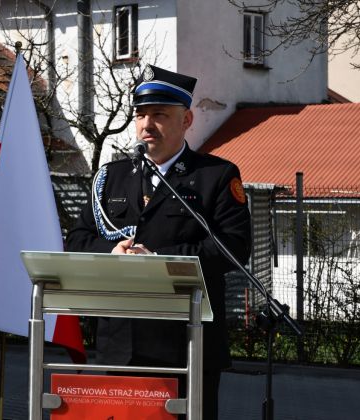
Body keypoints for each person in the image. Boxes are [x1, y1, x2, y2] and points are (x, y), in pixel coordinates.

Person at [66, 65, 252, 420]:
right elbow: (77, 239)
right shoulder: (111, 177)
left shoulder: (216, 176)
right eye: (140, 115)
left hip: (186, 345)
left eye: (159, 115)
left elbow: (233, 246)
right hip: (119, 346)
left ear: (186, 121)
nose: (146, 124)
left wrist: (159, 259)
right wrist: (111, 251)